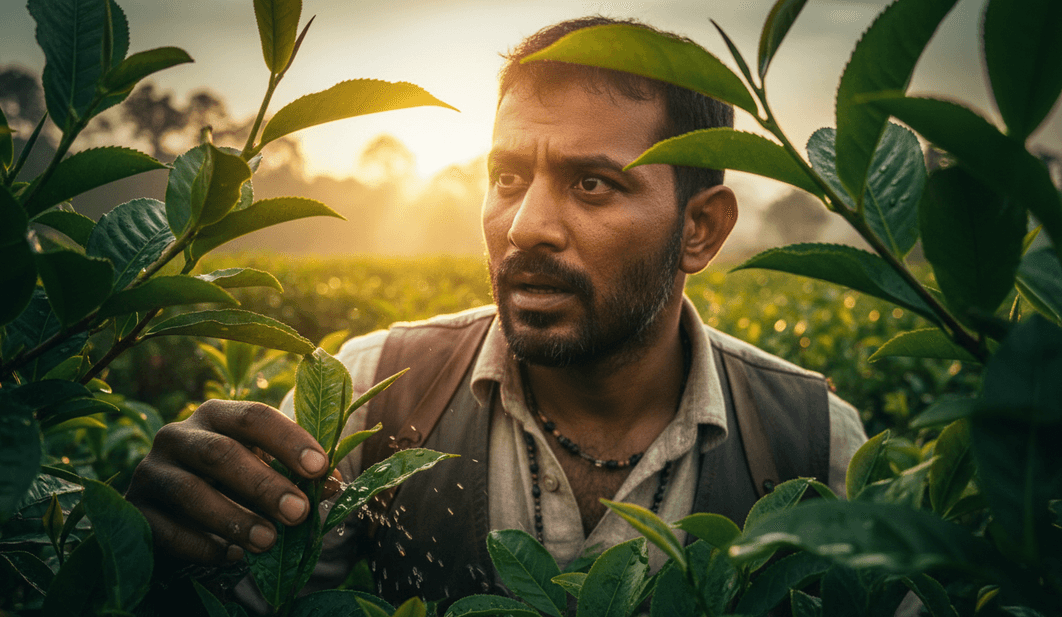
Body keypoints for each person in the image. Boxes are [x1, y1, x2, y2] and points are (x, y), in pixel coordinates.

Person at [126, 15, 867, 609]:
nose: (524, 226)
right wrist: (161, 554)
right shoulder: (369, 393)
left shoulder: (812, 444)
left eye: (593, 184)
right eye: (508, 175)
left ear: (699, 228)